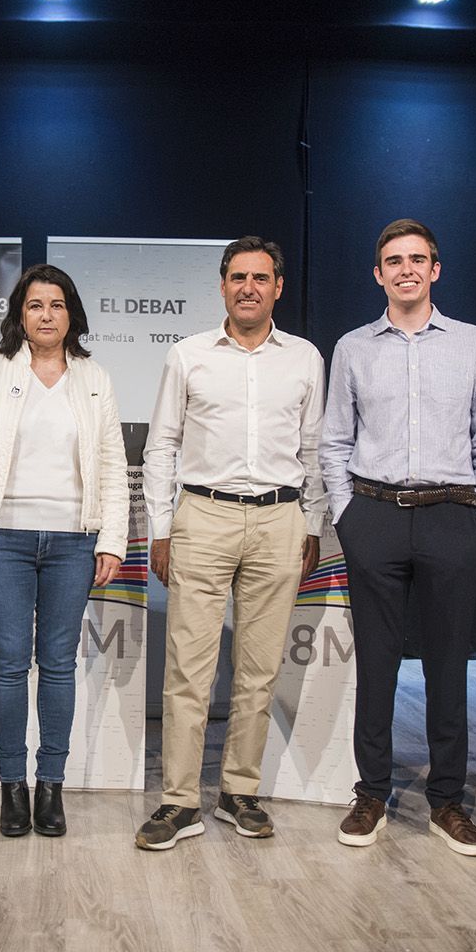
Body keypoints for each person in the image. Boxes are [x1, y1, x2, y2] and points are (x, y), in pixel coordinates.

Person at [319, 219, 476, 856]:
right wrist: (346, 516)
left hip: (454, 515)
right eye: (393, 260)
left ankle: (447, 801)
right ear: (378, 273)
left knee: (450, 667)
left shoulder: (473, 343)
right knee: (376, 663)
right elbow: (335, 441)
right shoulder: (353, 347)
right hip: (374, 515)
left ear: (435, 270)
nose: (406, 269)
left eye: (418, 259)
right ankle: (371, 792)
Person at [136, 236, 325, 851]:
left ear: (278, 288)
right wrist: (160, 528)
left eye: (260, 277)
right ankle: (179, 802)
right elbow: (161, 446)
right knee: (189, 671)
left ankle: (239, 791)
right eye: (237, 276)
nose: (248, 287)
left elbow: (315, 449)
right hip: (203, 518)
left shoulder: (304, 359)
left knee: (258, 669)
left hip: (279, 520)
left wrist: (314, 525)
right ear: (221, 286)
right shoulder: (188, 355)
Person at [0, 264, 128, 838]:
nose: (46, 314)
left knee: (57, 665)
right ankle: (13, 787)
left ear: (70, 312)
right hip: (3, 535)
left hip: (74, 539)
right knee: (6, 664)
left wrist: (113, 538)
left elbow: (113, 467)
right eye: (34, 305)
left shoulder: (94, 376)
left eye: (56, 304)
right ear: (19, 315)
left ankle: (51, 785)